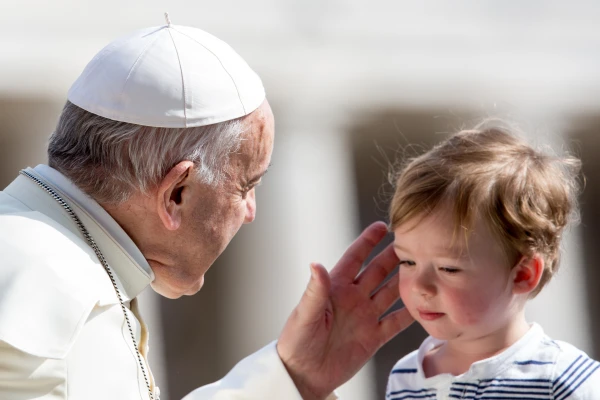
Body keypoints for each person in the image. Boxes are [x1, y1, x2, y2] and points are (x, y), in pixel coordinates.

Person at [0, 16, 414, 400]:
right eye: (246, 185)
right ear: (176, 193)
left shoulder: (55, 259)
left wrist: (290, 376)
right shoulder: (55, 296)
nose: (252, 211)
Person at [385, 125, 600, 399]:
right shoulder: (406, 377)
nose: (420, 286)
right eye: (407, 262)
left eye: (448, 268)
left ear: (523, 274)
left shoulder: (562, 377)